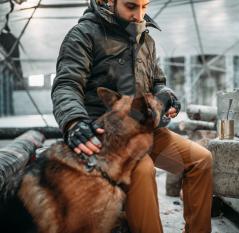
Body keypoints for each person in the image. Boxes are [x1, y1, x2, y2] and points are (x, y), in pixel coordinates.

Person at [51, 0, 213, 232]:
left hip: (146, 128)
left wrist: (166, 96)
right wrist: (74, 121)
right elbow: (67, 84)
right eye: (131, 6)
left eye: (144, 6)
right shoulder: (84, 34)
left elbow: (157, 81)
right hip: (110, 133)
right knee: (143, 170)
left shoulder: (145, 38)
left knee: (200, 161)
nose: (139, 15)